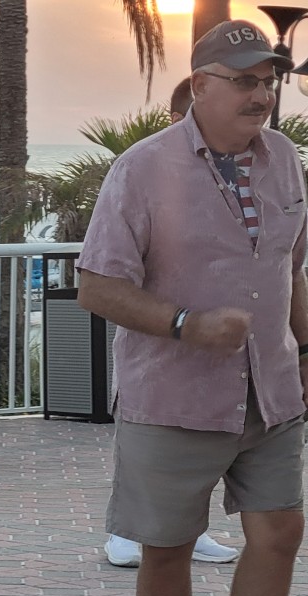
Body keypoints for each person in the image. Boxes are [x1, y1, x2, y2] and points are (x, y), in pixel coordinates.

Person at [78, 21, 308, 596]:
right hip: (173, 395)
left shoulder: (289, 163)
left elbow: (291, 274)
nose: (261, 92)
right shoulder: (142, 170)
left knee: (279, 532)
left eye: (269, 79)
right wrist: (184, 323)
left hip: (271, 392)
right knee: (166, 548)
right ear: (200, 84)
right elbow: (96, 284)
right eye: (244, 79)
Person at [102, 74, 239, 570]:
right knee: (144, 451)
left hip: (217, 362)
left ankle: (193, 533)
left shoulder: (234, 175)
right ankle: (122, 533)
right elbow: (107, 277)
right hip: (155, 355)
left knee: (201, 455)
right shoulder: (145, 170)